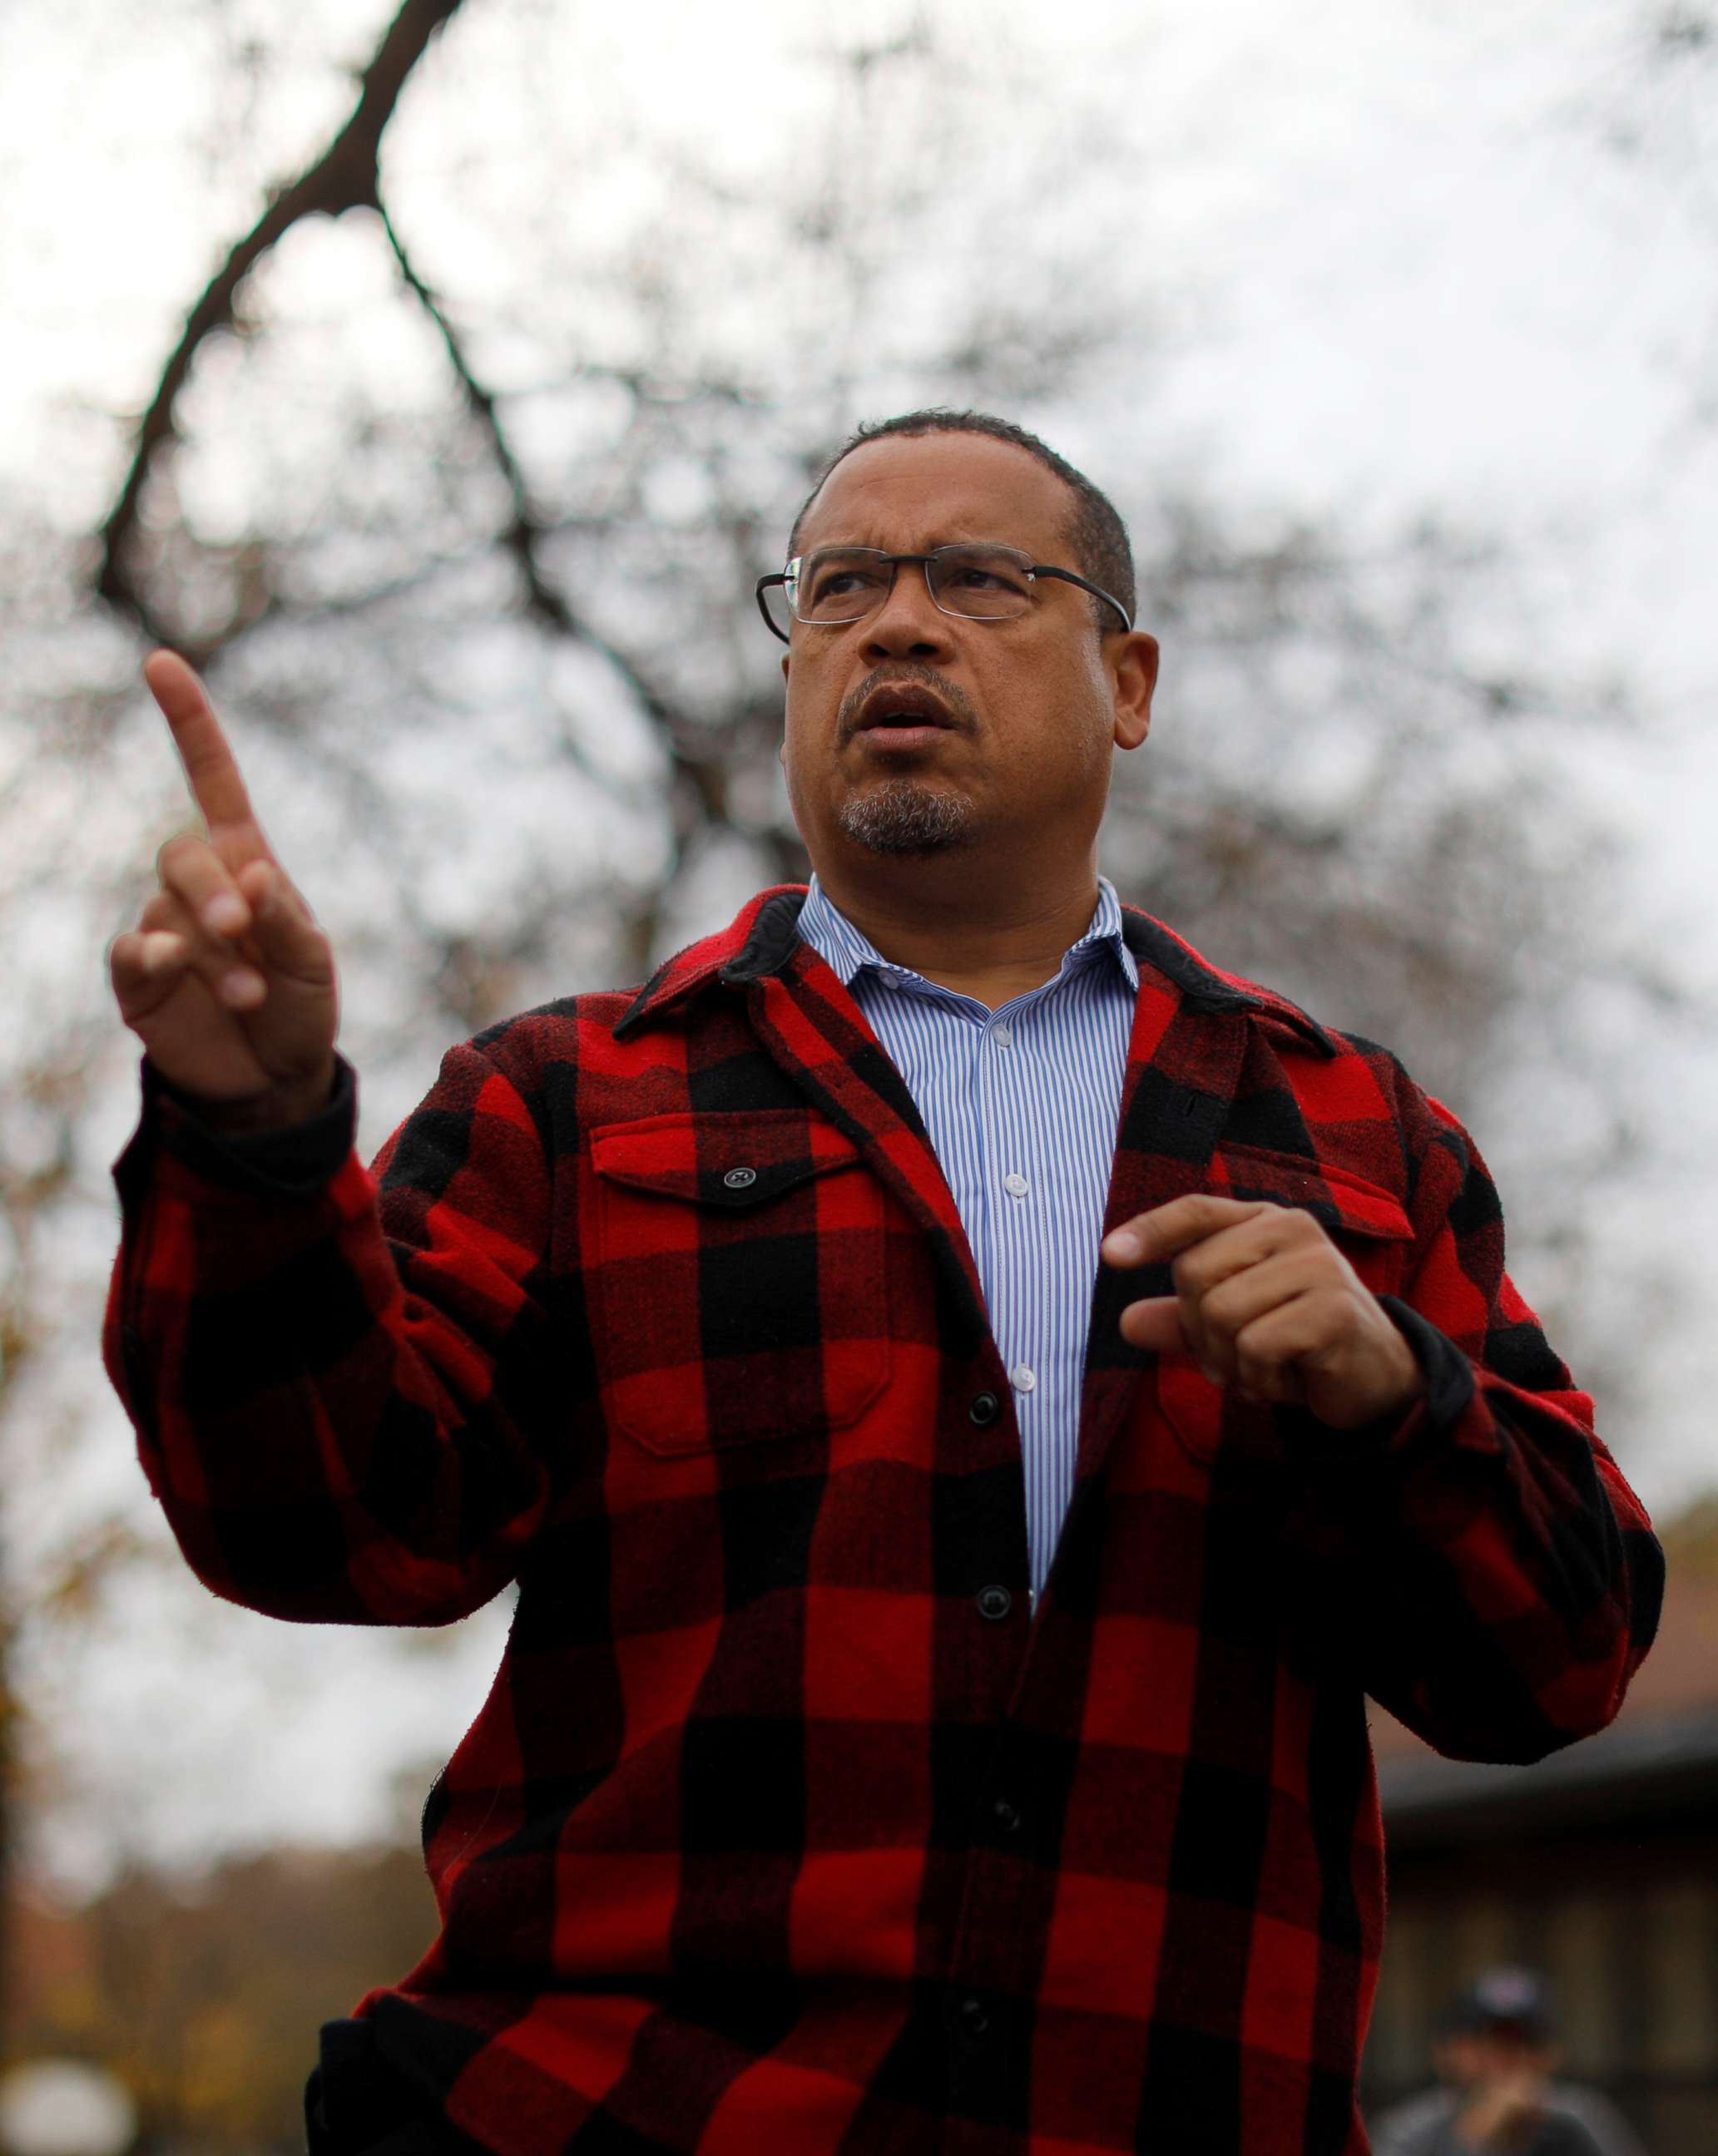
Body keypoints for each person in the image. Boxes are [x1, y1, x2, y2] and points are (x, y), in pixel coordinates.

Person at [103, 411, 1663, 2156]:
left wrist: (1394, 1401)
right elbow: (328, 1528)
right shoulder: (567, 1097)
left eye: (980, 579)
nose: (895, 623)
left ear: (1128, 683)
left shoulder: (1358, 1138)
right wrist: (249, 1137)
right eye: (840, 586)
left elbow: (1564, 1665)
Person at [1371, 1967, 1644, 2155]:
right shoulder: (1408, 2129)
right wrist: (1473, 2137)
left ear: (1550, 2055)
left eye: (1523, 2043)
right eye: (1487, 2042)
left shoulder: (1578, 2119)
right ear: (1449, 2051)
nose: (1505, 2059)